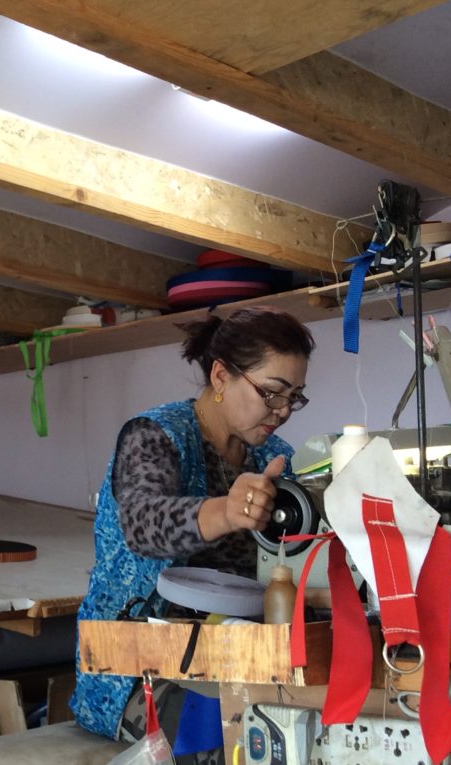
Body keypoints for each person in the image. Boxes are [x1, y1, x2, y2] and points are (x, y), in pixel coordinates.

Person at [70, 306, 315, 741]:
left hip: (236, 656)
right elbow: (141, 526)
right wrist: (224, 511)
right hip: (138, 670)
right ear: (221, 376)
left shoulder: (274, 456)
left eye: (293, 396)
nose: (282, 411)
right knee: (231, 733)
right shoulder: (155, 435)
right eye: (272, 392)